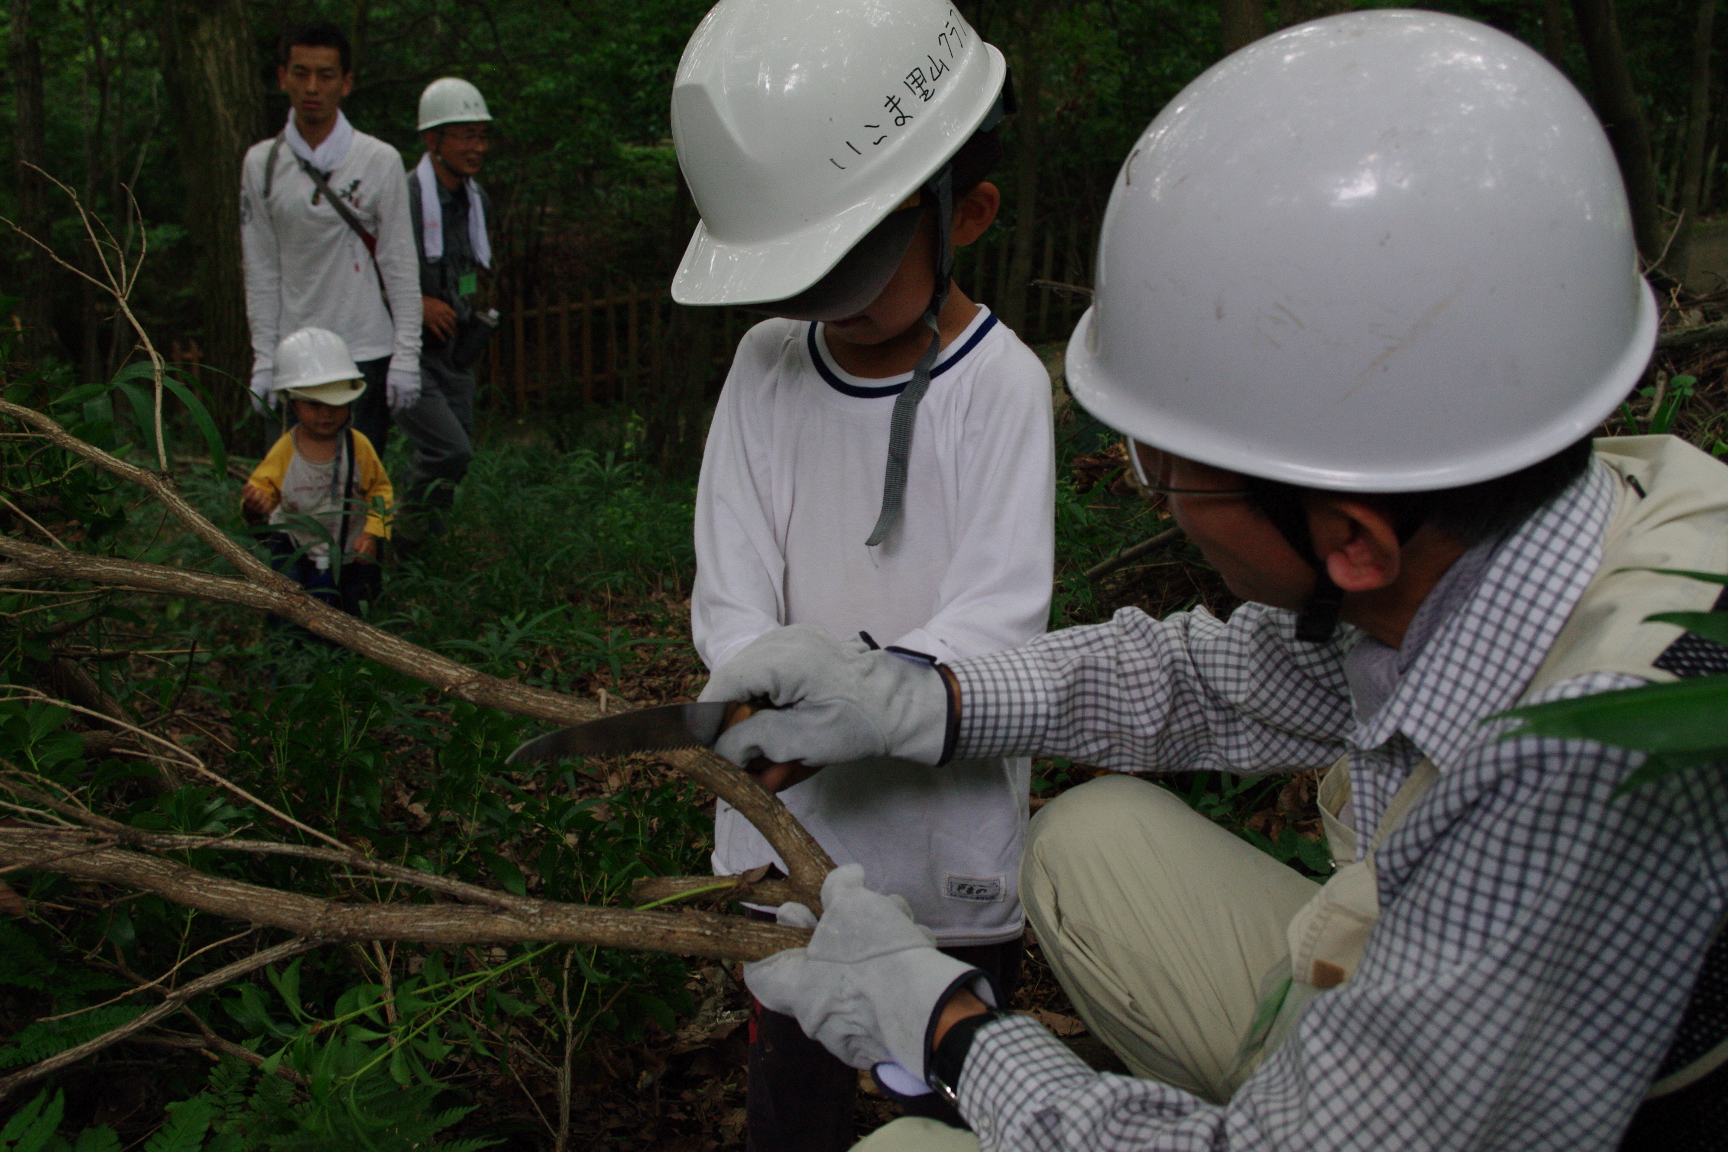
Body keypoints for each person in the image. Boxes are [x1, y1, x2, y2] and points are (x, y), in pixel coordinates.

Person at [696, 12, 1728, 1152]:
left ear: (1349, 541)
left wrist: (947, 1031)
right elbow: (1202, 679)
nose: (1153, 491)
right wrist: (917, 694)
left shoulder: (1573, 781)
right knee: (1091, 845)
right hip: (1466, 1034)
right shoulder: (1540, 537)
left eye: (1167, 462)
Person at [671, 1, 1055, 1147]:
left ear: (968, 212)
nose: (827, 296)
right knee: (791, 1083)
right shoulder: (768, 365)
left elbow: (999, 615)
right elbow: (728, 570)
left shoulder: (1000, 387)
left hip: (944, 839)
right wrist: (752, 687)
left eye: (859, 259)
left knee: (935, 1100)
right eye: (804, 268)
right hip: (788, 829)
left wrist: (874, 694)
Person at [241, 21, 422, 455]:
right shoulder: (262, 163)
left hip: (363, 349)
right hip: (293, 355)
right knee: (287, 495)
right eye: (300, 73)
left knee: (356, 489)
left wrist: (407, 357)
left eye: (326, 75)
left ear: (346, 83)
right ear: (283, 77)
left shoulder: (379, 160)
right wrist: (264, 360)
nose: (312, 87)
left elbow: (400, 264)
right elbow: (261, 268)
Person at [398, 78, 497, 541]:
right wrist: (415, 302)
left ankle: (425, 551)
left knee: (453, 456)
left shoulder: (475, 201)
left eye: (482, 135)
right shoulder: (406, 198)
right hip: (410, 353)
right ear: (432, 140)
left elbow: (474, 267)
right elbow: (369, 269)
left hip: (456, 354)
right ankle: (400, 536)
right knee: (448, 451)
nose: (477, 147)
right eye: (465, 136)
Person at [242, 327, 392, 618]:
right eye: (314, 404)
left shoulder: (358, 447)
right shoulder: (286, 450)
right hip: (296, 545)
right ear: (292, 401)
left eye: (335, 403)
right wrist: (255, 503)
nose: (326, 413)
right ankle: (286, 653)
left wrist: (373, 534)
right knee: (286, 605)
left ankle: (347, 657)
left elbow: (380, 491)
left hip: (347, 549)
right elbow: (263, 489)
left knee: (350, 609)